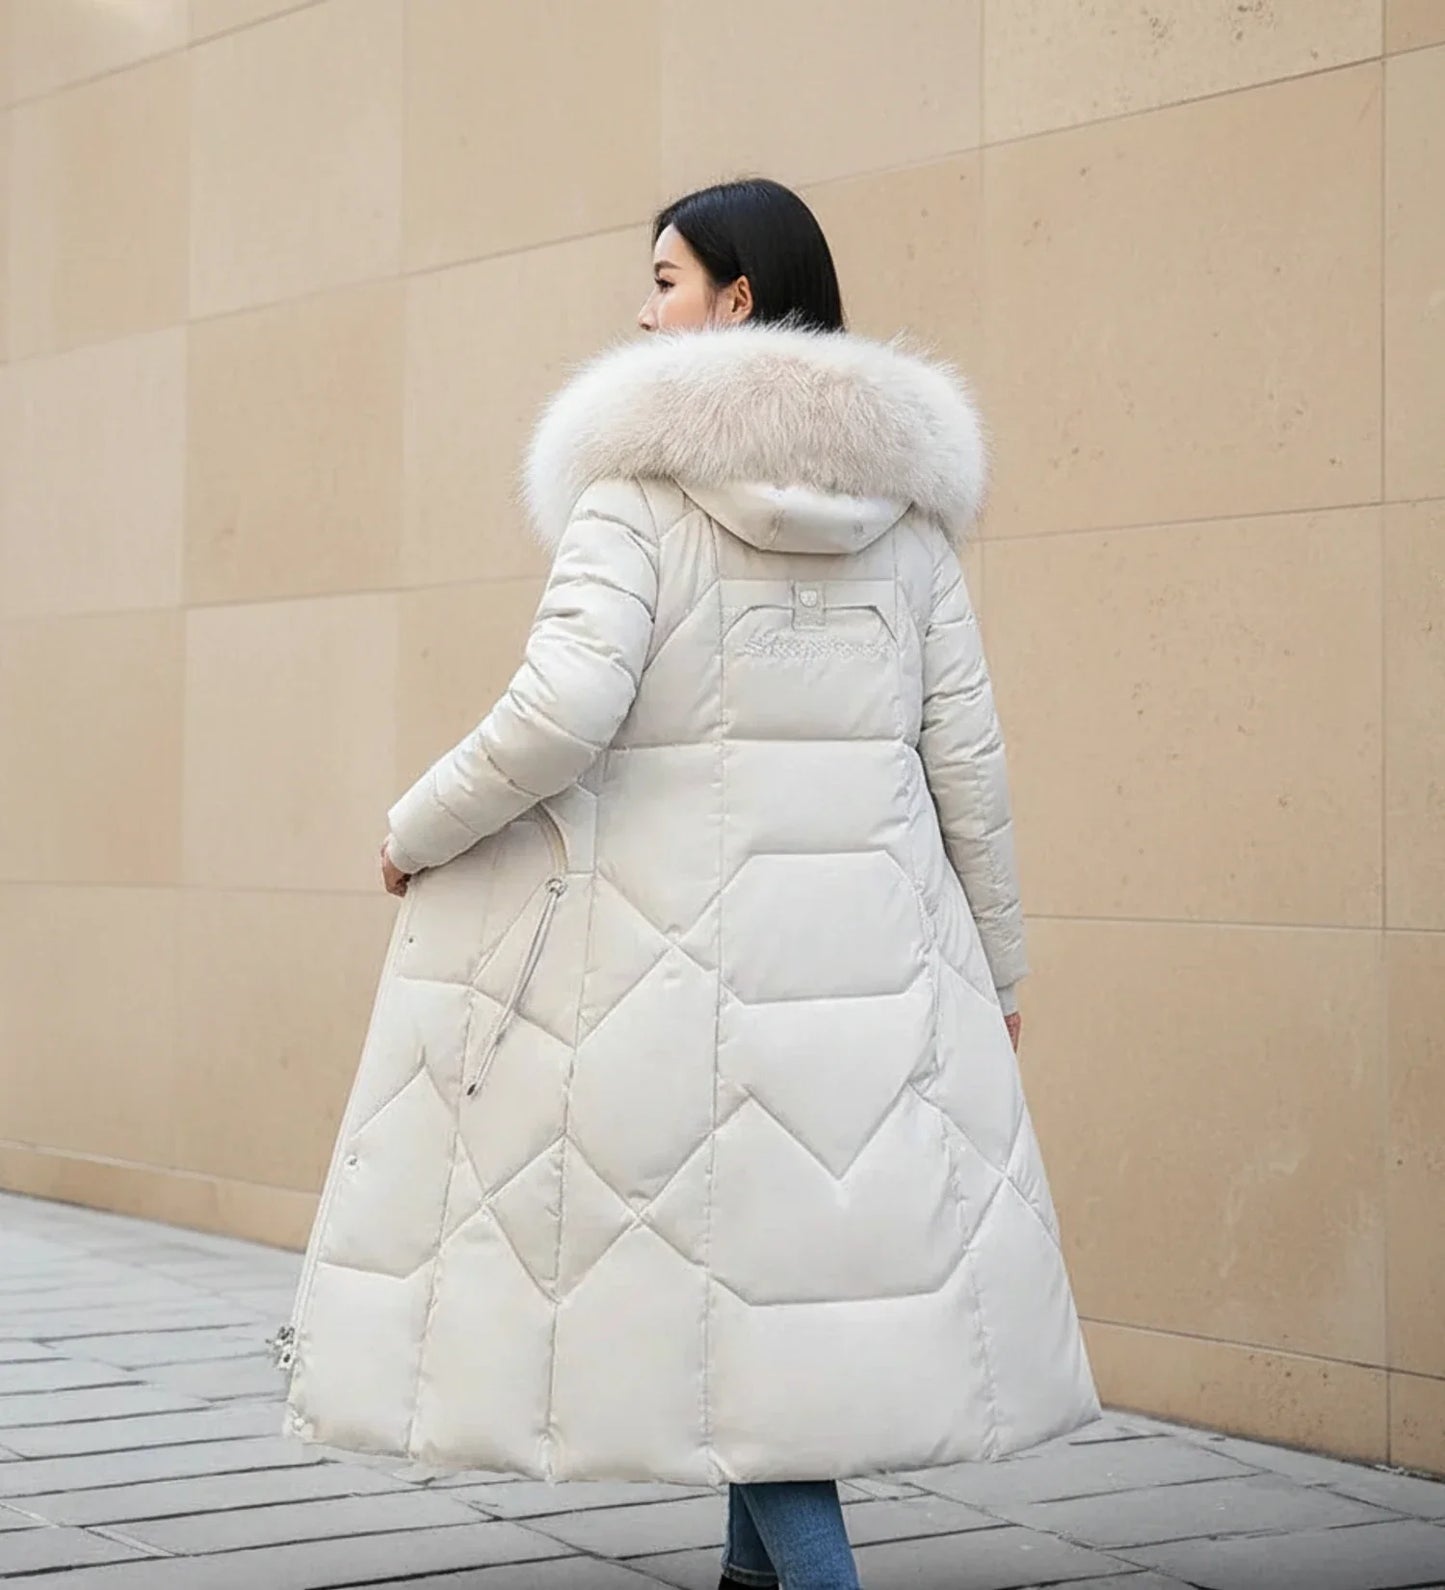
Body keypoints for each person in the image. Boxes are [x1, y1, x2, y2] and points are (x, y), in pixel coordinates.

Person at [283, 178, 1101, 1590]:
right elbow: (968, 762)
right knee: (764, 1308)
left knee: (733, 1304)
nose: (639, 306)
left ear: (735, 298)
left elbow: (560, 708)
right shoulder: (903, 521)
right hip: (868, 983)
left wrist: (414, 825)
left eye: (662, 278)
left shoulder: (637, 498)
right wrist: (1003, 975)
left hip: (675, 978)